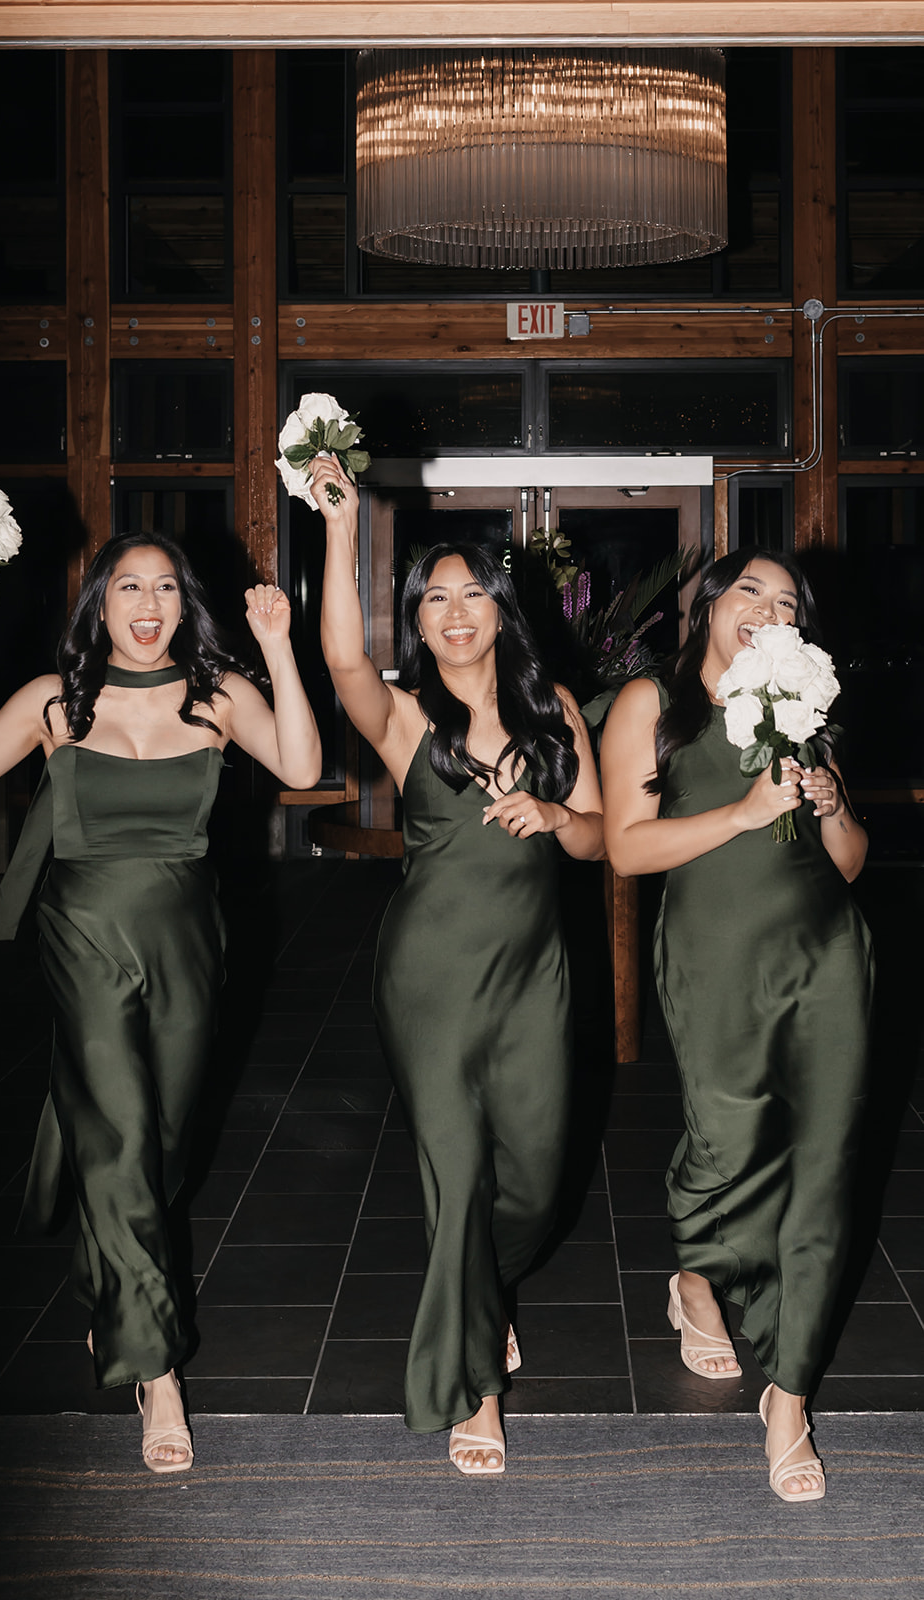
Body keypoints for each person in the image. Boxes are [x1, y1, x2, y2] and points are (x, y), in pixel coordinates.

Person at [0, 535, 321, 1472]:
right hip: (83, 932)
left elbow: (299, 767)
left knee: (164, 1145)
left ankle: (111, 1285)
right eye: (129, 587)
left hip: (188, 938)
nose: (149, 603)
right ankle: (154, 1367)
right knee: (124, 1133)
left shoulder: (218, 695)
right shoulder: (54, 701)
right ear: (100, 603)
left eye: (166, 588)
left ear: (185, 604)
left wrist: (279, 647)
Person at [312, 456, 604, 1476]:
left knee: (531, 1177)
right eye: (432, 598)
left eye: (470, 592)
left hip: (532, 977)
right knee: (456, 1170)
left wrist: (559, 811)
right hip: (429, 974)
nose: (452, 611)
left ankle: (486, 1286)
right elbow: (343, 662)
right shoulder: (403, 719)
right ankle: (474, 1382)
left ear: (499, 608)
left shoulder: (555, 710)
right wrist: (341, 526)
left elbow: (599, 838)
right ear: (419, 620)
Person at [600, 547, 873, 1504]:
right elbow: (626, 851)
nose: (767, 607)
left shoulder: (800, 707)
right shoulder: (650, 705)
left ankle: (788, 1396)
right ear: (708, 605)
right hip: (715, 956)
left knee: (826, 1166)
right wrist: (747, 810)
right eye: (748, 590)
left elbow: (844, 861)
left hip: (827, 954)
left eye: (786, 599)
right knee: (724, 1139)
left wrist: (833, 807)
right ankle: (696, 1275)